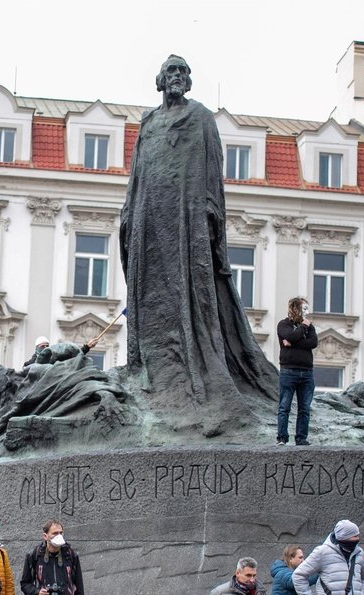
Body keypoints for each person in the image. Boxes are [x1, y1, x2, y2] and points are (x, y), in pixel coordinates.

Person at [119, 54, 278, 424]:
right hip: (148, 215)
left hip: (184, 218)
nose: (177, 77)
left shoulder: (201, 117)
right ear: (159, 80)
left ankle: (194, 369)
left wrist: (210, 212)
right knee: (149, 290)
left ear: (188, 82)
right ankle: (150, 367)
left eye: (183, 72)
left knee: (191, 292)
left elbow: (212, 168)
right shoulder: (148, 122)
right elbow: (137, 173)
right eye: (171, 71)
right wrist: (128, 211)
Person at [277, 297, 318, 445]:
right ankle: (282, 437)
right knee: (284, 406)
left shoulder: (310, 326)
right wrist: (302, 329)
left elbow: (313, 342)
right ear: (295, 309)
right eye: (304, 308)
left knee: (304, 408)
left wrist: (293, 343)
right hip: (289, 371)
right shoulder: (283, 324)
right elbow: (290, 335)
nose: (307, 312)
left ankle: (301, 438)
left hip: (307, 372)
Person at [24, 336, 101, 367]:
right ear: (37, 348)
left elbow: (73, 357)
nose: (45, 348)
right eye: (42, 346)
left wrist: (87, 347)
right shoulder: (29, 364)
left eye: (47, 346)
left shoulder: (55, 358)